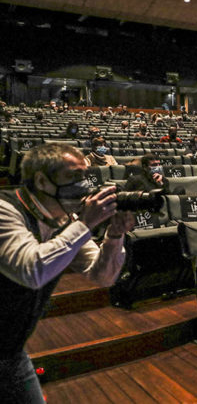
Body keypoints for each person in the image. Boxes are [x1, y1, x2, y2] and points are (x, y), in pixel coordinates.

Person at [0, 143, 133, 401]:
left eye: (84, 176)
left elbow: (103, 277)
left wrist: (115, 235)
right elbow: (32, 271)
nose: (83, 185)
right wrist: (86, 223)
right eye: (73, 176)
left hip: (12, 348)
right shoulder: (5, 210)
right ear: (42, 180)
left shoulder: (66, 220)